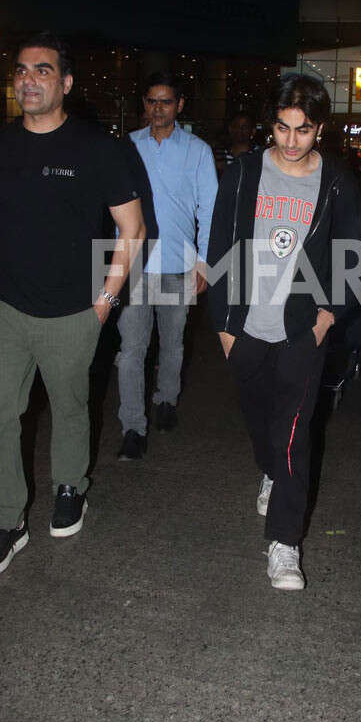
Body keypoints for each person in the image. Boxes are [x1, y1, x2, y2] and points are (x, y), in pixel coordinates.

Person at [0, 32, 146, 578]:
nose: (28, 79)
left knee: (70, 408)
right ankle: (7, 522)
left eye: (42, 70)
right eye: (21, 71)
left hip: (73, 312)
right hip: (3, 308)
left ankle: (68, 487)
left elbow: (133, 228)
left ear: (66, 82)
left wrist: (105, 301)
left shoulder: (96, 149)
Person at [207, 74, 361, 591]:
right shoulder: (244, 171)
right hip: (247, 325)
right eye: (282, 128)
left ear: (320, 129)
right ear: (270, 123)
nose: (291, 142)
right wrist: (225, 326)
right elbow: (220, 247)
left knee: (294, 432)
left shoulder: (337, 180)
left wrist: (327, 315)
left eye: (303, 130)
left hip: (302, 326)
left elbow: (351, 251)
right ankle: (269, 469)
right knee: (261, 421)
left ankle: (285, 543)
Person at [116, 71, 218, 459]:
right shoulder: (126, 148)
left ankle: (166, 400)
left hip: (178, 264)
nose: (159, 109)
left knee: (172, 344)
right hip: (134, 265)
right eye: (152, 101)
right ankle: (132, 426)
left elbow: (209, 211)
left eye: (166, 102)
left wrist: (205, 262)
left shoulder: (197, 151)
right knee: (131, 350)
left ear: (179, 106)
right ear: (144, 104)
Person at [213, 111, 256, 175]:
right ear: (230, 129)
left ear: (253, 131)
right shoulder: (219, 154)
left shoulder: (259, 154)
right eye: (236, 126)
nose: (239, 130)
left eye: (244, 127)